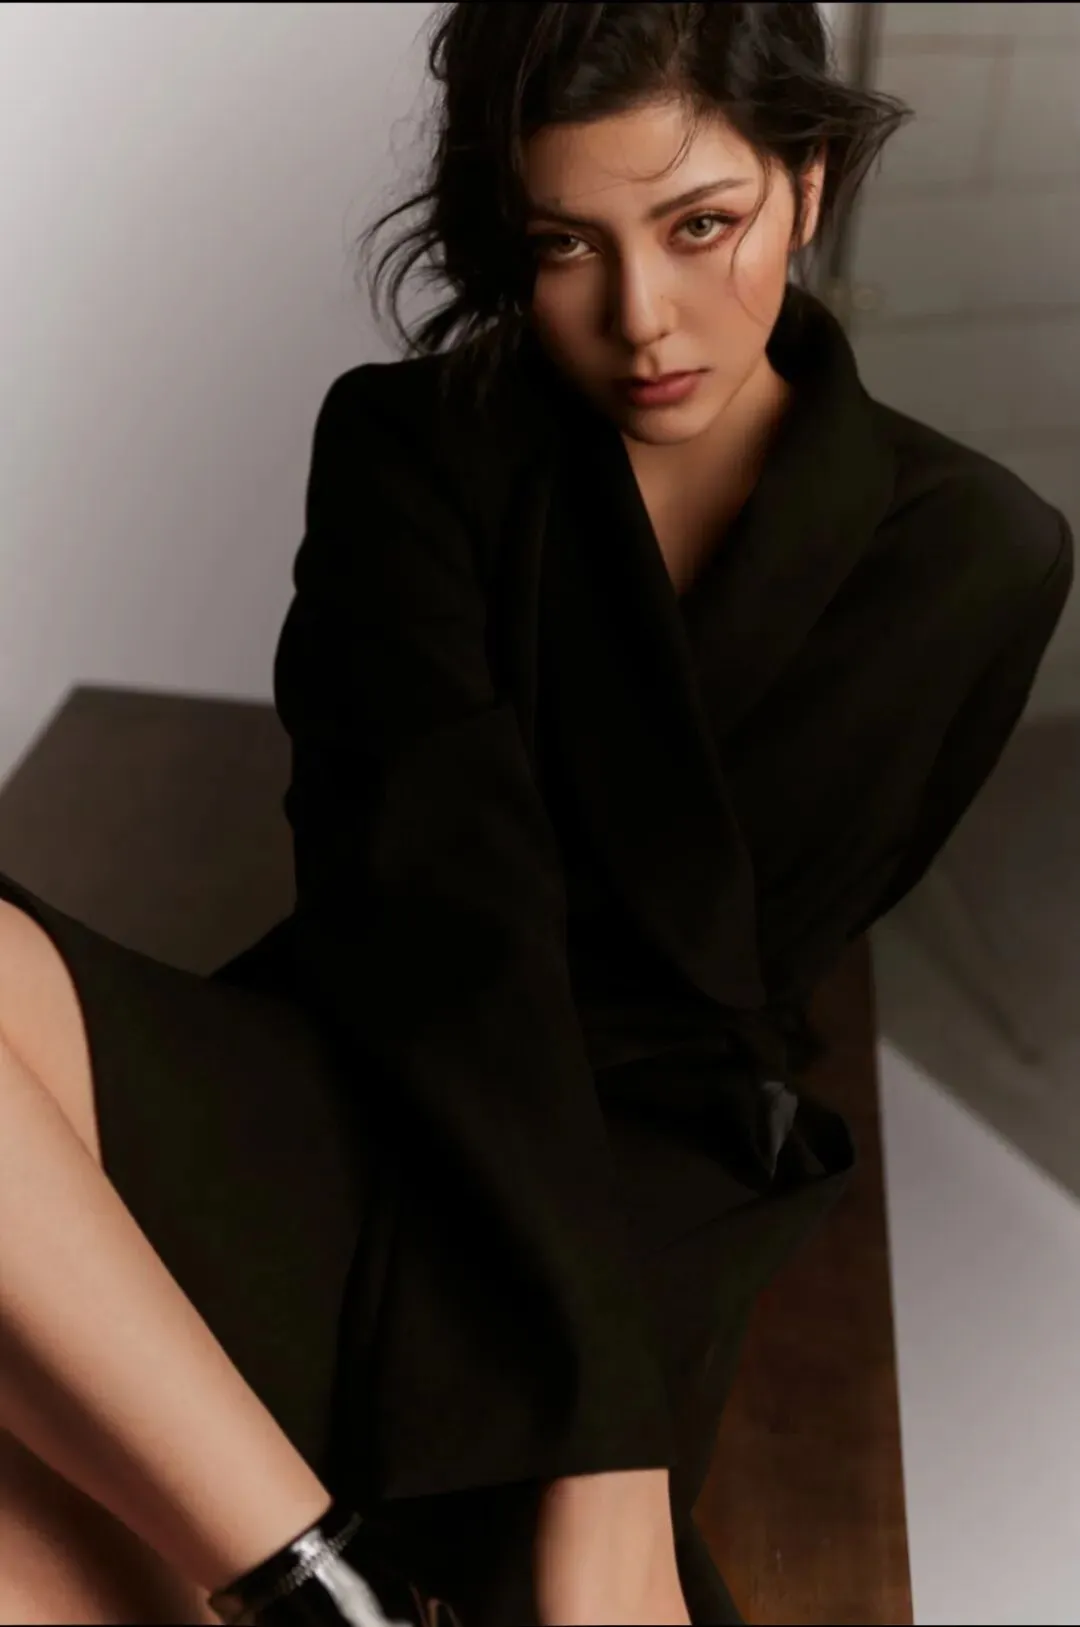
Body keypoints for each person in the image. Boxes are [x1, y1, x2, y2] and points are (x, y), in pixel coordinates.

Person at [0, 3, 1073, 1624]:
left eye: (701, 224)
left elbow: (694, 997)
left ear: (808, 183)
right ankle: (318, 1584)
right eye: (568, 245)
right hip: (354, 1076)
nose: (643, 317)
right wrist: (600, 1440)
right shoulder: (411, 446)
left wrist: (599, 1430)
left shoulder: (973, 554)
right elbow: (435, 931)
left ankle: (279, 1525)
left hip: (640, 1177)